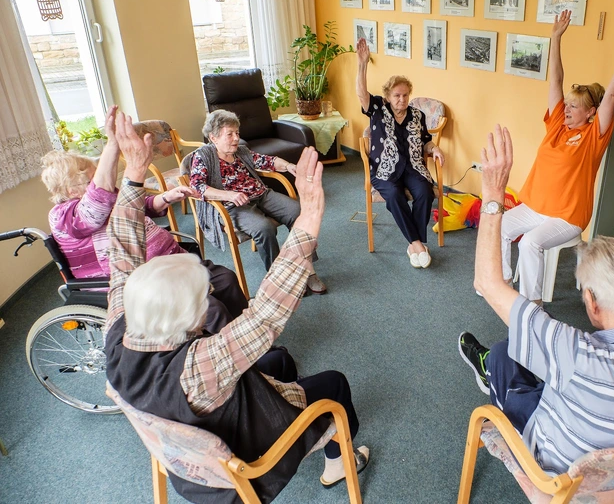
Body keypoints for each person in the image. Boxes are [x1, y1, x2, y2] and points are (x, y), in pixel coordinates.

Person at [105, 116, 370, 503]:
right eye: (200, 302)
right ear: (187, 321)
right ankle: (335, 459)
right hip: (243, 461)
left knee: (277, 362)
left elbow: (122, 254)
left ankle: (283, 397)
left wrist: (133, 173)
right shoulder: (198, 368)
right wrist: (310, 217)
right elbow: (265, 315)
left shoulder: (117, 329)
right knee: (333, 384)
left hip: (179, 445)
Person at [458, 113, 614, 476]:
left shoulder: (573, 353)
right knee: (513, 348)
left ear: (593, 303)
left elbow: (487, 284)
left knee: (505, 357)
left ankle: (490, 373)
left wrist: (492, 193)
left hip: (562, 479)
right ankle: (500, 368)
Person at [41, 106, 247, 332]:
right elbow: (96, 206)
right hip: (142, 281)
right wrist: (113, 144)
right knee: (211, 310)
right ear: (71, 190)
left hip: (169, 263)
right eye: (94, 179)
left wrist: (165, 198)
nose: (105, 184)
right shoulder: (63, 217)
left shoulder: (100, 199)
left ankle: (244, 333)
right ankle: (230, 354)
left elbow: (140, 205)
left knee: (226, 279)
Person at [501, 10, 614, 303]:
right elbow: (555, 81)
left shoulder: (592, 137)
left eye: (574, 106)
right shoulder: (556, 125)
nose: (567, 109)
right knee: (500, 225)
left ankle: (531, 305)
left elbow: (611, 95)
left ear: (590, 113)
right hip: (535, 206)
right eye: (567, 105)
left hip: (568, 215)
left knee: (531, 242)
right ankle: (505, 280)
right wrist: (555, 38)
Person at [189, 110, 327, 294]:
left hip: (261, 194)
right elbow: (196, 187)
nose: (236, 138)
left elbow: (267, 161)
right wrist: (228, 195)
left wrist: (289, 166)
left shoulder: (241, 151)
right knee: (263, 228)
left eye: (237, 133)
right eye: (230, 134)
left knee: (298, 213)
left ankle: (307, 269)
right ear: (213, 137)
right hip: (232, 206)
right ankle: (277, 278)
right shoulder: (203, 156)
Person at [355, 37, 445, 268]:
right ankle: (416, 243)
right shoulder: (377, 109)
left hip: (414, 167)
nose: (402, 99)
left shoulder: (418, 115)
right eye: (397, 95)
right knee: (394, 196)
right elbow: (361, 93)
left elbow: (426, 141)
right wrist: (362, 64)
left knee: (425, 192)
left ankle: (413, 244)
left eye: (405, 95)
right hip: (385, 170)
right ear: (387, 96)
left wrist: (435, 149)